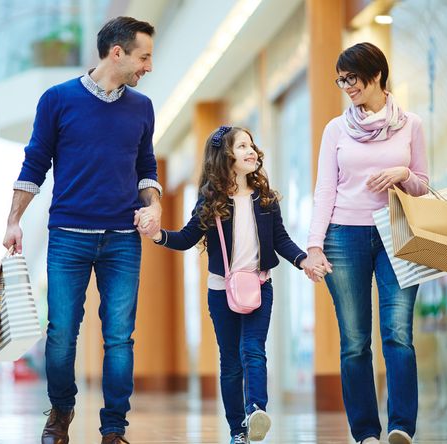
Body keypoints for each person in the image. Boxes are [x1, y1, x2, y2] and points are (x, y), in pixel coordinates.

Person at [2, 16, 162, 444]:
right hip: (69, 236)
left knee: (119, 338)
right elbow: (35, 163)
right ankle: (60, 412)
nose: (149, 66)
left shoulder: (141, 107)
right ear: (117, 53)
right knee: (60, 334)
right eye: (143, 57)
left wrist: (156, 205)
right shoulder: (58, 100)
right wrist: (14, 221)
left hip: (123, 240)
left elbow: (146, 168)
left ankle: (114, 429)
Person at [143, 125, 322, 444]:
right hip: (220, 292)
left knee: (253, 350)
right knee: (230, 361)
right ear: (225, 156)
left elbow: (280, 238)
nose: (251, 150)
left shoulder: (265, 199)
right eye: (242, 146)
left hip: (260, 286)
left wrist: (303, 260)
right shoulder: (210, 202)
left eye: (252, 145)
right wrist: (158, 235)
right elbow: (186, 238)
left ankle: (256, 412)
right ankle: (237, 430)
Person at [303, 42, 429, 444]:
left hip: (399, 232)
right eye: (340, 80)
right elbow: (325, 189)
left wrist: (401, 172)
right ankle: (365, 433)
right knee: (355, 341)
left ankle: (400, 428)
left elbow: (423, 186)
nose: (346, 86)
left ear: (375, 75)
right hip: (344, 235)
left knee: (398, 334)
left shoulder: (412, 124)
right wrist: (314, 245)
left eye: (351, 78)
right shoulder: (336, 129)